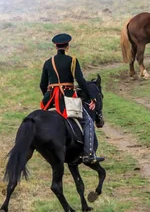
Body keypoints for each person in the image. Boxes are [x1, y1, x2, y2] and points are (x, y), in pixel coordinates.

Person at [40, 33, 103, 163]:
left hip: (50, 100)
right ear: (67, 46)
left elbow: (42, 85)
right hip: (67, 99)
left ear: (56, 46)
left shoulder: (48, 62)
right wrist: (92, 98)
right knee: (88, 122)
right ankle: (89, 154)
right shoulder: (72, 60)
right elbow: (80, 81)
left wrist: (48, 96)